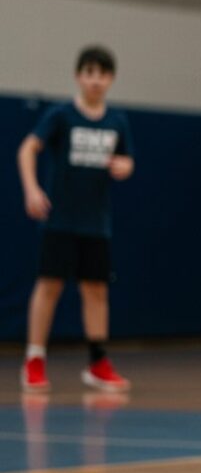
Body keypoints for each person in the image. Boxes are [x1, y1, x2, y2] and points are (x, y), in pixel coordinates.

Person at [17, 45, 135, 392]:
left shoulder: (117, 121)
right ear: (78, 76)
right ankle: (35, 358)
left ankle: (98, 362)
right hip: (60, 221)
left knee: (96, 290)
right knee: (49, 285)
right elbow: (27, 148)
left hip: (96, 223)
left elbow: (127, 162)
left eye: (102, 74)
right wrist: (31, 189)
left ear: (110, 79)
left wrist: (125, 168)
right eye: (90, 73)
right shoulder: (61, 115)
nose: (96, 80)